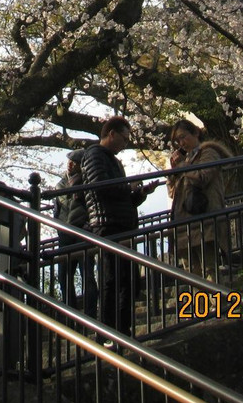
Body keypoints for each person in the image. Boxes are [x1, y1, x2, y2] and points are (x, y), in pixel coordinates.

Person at [80, 116, 159, 336]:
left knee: (128, 280)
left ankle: (122, 330)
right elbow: (100, 187)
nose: (125, 145)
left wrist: (140, 193)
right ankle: (107, 332)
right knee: (112, 279)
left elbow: (121, 197)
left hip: (122, 224)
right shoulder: (95, 154)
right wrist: (127, 185)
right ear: (111, 134)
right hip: (107, 225)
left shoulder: (113, 160)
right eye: (123, 139)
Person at [167, 119, 232, 279]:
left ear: (195, 133)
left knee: (209, 269)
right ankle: (199, 304)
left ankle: (217, 304)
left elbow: (203, 177)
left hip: (204, 220)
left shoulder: (208, 153)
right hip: (184, 223)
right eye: (178, 141)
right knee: (191, 273)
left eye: (184, 137)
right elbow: (172, 192)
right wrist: (174, 172)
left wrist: (183, 166)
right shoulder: (186, 160)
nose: (182, 143)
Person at [53, 149, 97, 317]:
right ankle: (71, 316)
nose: (70, 164)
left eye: (75, 162)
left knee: (87, 274)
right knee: (64, 276)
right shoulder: (61, 184)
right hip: (65, 234)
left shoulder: (88, 181)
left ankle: (91, 314)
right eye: (69, 161)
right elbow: (63, 203)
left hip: (82, 231)